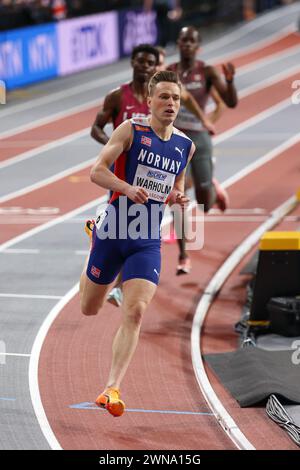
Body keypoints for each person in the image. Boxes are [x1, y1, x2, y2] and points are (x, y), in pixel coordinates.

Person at [80, 70, 195, 417]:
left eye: (175, 98)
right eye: (163, 97)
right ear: (149, 101)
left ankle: (111, 388)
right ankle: (93, 242)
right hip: (113, 229)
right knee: (90, 308)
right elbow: (96, 171)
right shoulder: (131, 131)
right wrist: (126, 188)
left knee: (136, 310)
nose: (170, 103)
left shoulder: (185, 146)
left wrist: (177, 198)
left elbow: (178, 185)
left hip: (146, 238)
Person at [89, 43, 215, 305]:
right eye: (142, 62)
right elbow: (96, 129)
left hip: (158, 165)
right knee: (122, 219)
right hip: (123, 169)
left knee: (165, 211)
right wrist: (117, 146)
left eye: (151, 63)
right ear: (133, 63)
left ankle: (181, 254)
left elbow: (186, 104)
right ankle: (104, 243)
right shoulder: (118, 97)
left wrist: (204, 122)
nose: (146, 67)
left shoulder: (166, 92)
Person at [167, 26, 238, 274]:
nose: (186, 44)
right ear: (178, 43)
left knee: (204, 203)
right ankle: (183, 255)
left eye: (191, 41)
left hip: (200, 139)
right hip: (176, 141)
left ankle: (212, 188)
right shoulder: (170, 72)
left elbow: (228, 102)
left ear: (198, 47)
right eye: (183, 40)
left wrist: (229, 82)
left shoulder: (206, 71)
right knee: (177, 197)